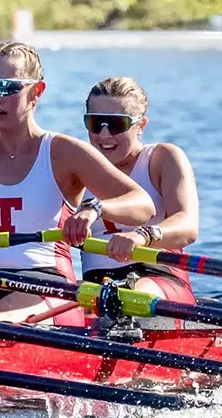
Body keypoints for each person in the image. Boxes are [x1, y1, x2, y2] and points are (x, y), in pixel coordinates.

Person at [0, 41, 157, 323]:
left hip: (48, 284)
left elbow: (143, 204)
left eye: (8, 87)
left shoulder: (62, 152)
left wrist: (94, 210)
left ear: (37, 91)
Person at [79, 76, 199, 305]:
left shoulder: (162, 158)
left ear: (141, 125)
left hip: (159, 279)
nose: (104, 135)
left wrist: (142, 235)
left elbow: (188, 227)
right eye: (96, 123)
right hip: (95, 287)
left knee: (126, 297)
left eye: (116, 124)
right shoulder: (75, 167)